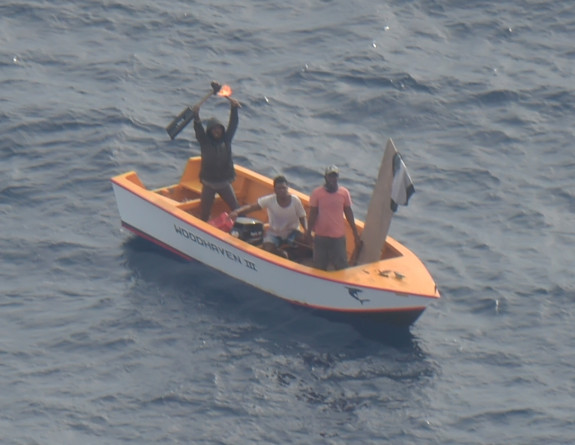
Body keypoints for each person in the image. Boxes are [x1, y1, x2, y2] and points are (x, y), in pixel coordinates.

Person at [191, 87, 242, 221]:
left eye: (219, 129)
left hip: (224, 182)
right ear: (210, 131)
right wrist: (196, 116)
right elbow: (198, 129)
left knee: (236, 208)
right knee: (205, 213)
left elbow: (233, 124)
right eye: (214, 129)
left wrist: (234, 108)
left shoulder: (227, 139)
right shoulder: (204, 141)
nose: (217, 131)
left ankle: (244, 227)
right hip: (208, 183)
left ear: (222, 130)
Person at [230, 175, 308, 258]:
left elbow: (302, 216)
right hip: (274, 233)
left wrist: (306, 230)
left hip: (292, 232)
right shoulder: (269, 200)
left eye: (284, 188)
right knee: (267, 247)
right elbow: (252, 207)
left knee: (306, 241)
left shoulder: (295, 200)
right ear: (274, 190)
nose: (282, 190)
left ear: (287, 188)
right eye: (279, 188)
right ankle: (283, 255)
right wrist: (237, 212)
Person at [305, 165, 360, 270]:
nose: (333, 179)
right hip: (321, 236)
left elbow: (348, 212)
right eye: (330, 176)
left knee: (342, 266)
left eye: (335, 176)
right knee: (319, 266)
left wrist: (355, 232)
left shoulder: (344, 193)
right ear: (325, 178)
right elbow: (313, 213)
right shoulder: (317, 193)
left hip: (338, 237)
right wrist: (308, 232)